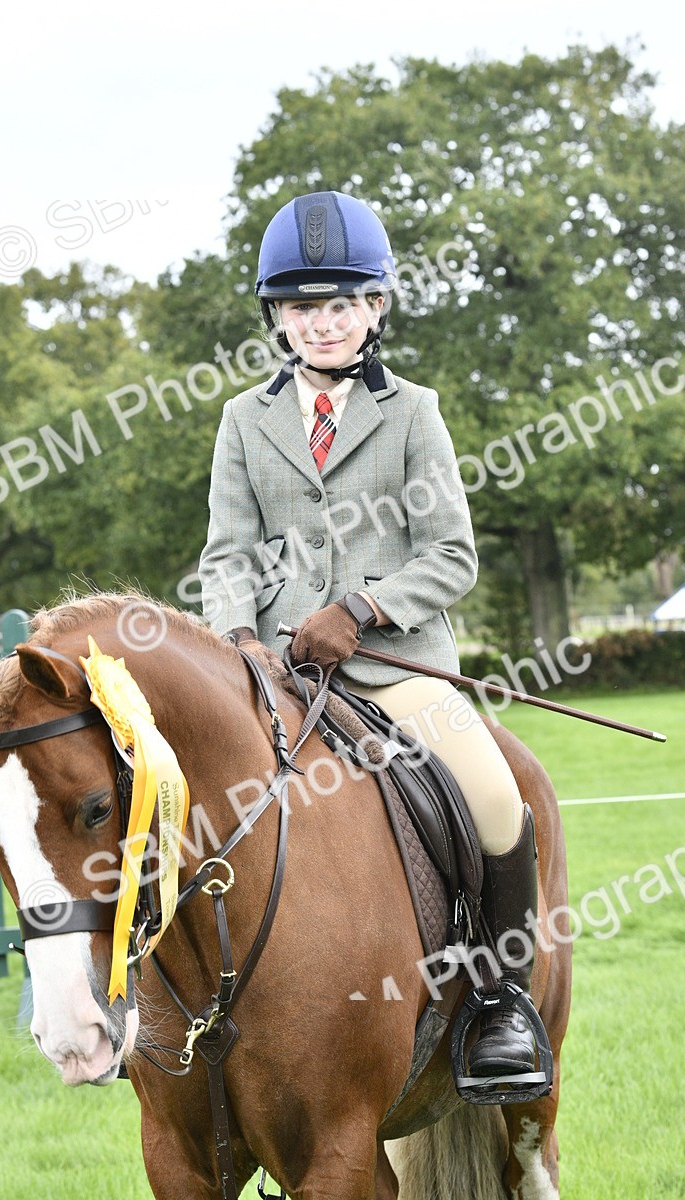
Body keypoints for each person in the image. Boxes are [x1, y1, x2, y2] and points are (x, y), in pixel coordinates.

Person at [198, 190, 539, 1079]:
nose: (323, 322)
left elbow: (452, 554)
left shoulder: (414, 412)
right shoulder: (244, 420)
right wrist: (239, 636)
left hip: (396, 671)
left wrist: (360, 610)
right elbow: (226, 554)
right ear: (277, 316)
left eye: (342, 303)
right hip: (275, 675)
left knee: (499, 798)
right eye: (304, 306)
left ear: (376, 308)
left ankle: (503, 1005)